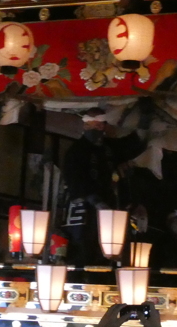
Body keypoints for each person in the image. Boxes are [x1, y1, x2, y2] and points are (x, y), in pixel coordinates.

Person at [60, 107, 146, 265]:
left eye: (99, 125)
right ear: (84, 126)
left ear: (104, 126)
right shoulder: (76, 151)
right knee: (84, 246)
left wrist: (145, 118)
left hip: (109, 205)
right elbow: (74, 179)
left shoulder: (109, 148)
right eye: (90, 124)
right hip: (84, 207)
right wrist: (95, 201)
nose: (95, 128)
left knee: (109, 249)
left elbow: (132, 145)